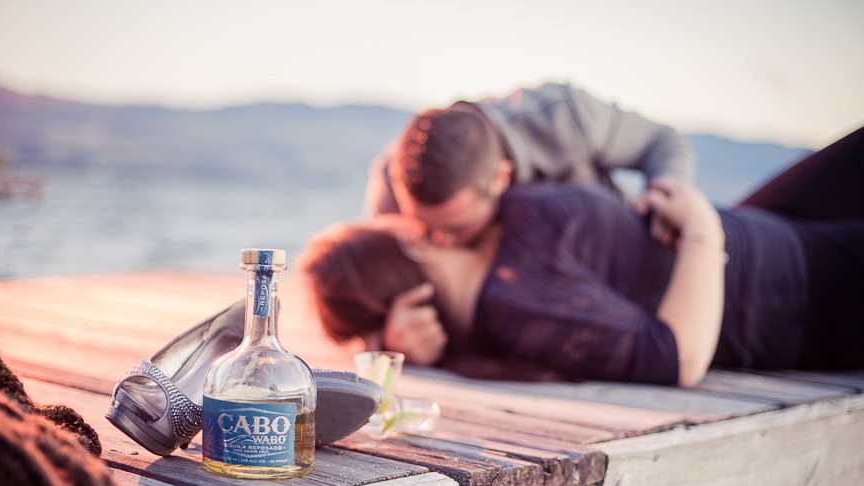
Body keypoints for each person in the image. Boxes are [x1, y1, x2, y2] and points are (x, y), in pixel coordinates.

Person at [300, 129, 864, 388]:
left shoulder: (494, 231)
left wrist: (377, 342)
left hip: (771, 235)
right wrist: (701, 233)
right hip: (804, 292)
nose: (394, 210)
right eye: (382, 220)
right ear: (410, 243)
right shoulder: (520, 308)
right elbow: (677, 360)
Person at [364, 83, 695, 366]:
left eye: (456, 229)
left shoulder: (563, 116)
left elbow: (662, 141)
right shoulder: (393, 180)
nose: (438, 244)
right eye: (422, 228)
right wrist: (386, 336)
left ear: (501, 178)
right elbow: (366, 283)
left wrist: (665, 195)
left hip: (640, 285)